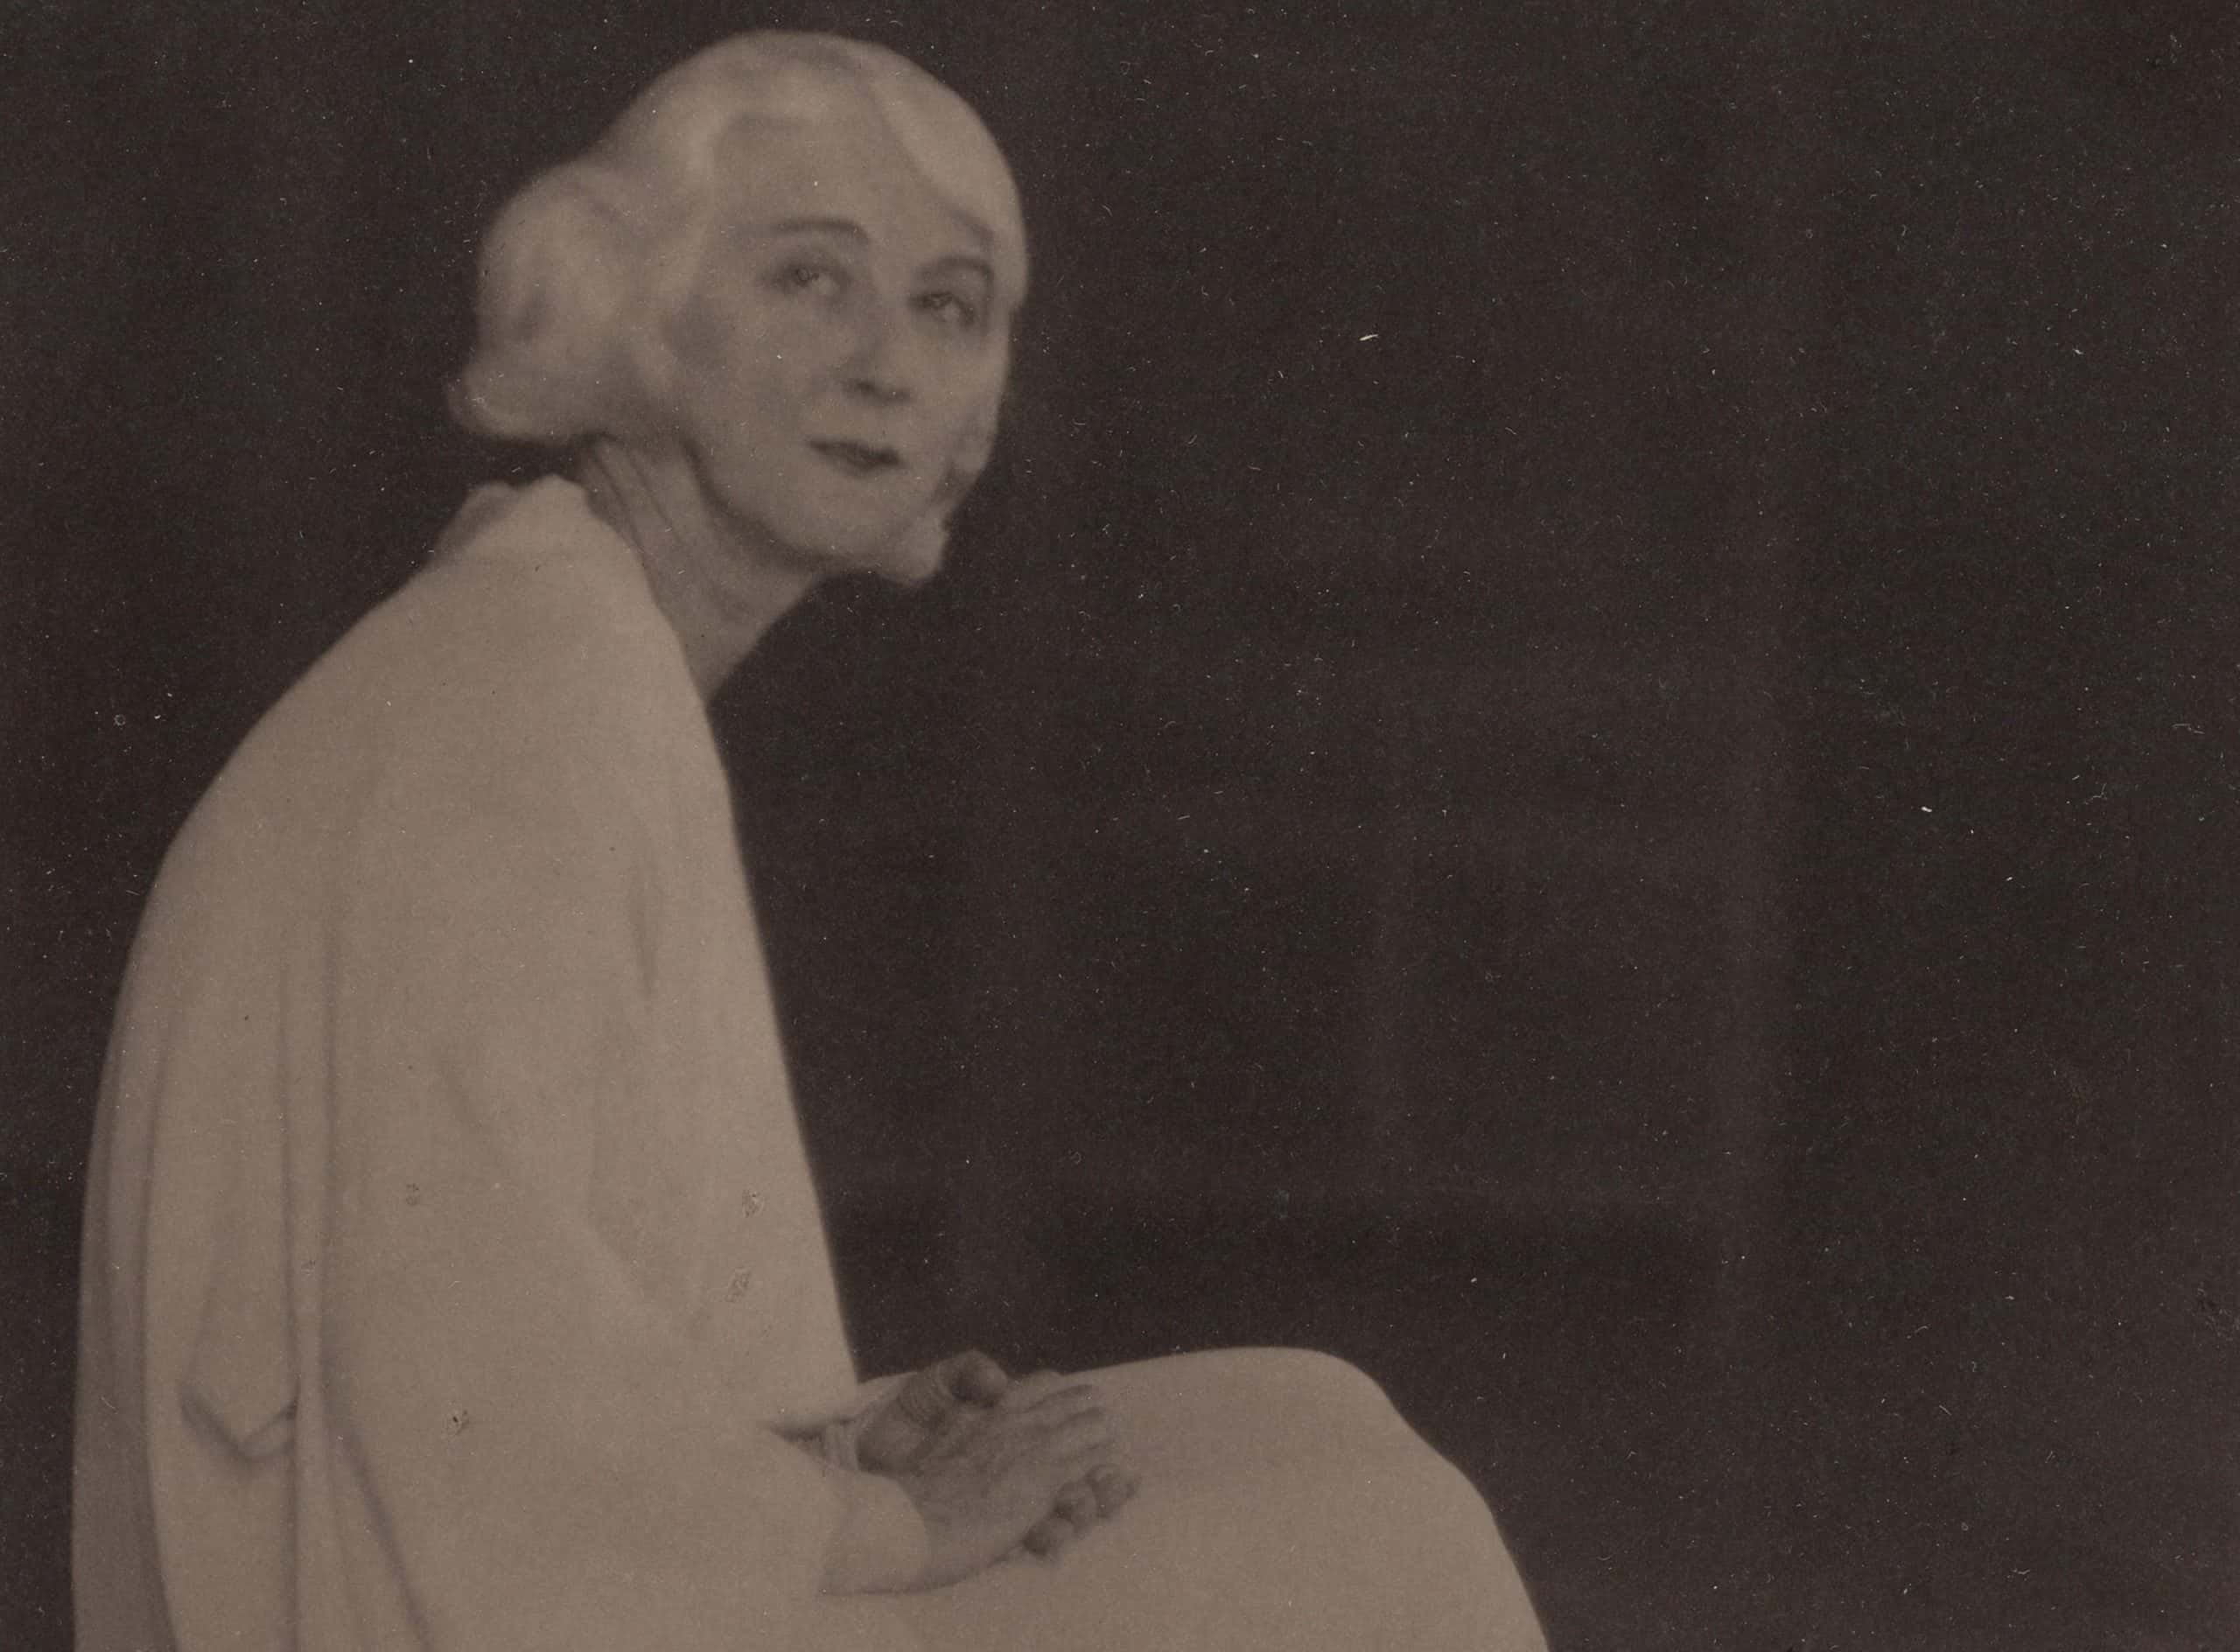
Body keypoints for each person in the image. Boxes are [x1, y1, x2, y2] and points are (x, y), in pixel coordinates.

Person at [73, 32, 1547, 1650]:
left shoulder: (566, 640)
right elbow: (468, 1414)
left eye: (948, 306)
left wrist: (829, 1445)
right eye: (810, 284)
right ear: (634, 310)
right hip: (415, 1605)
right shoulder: (515, 720)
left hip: (508, 1545)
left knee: (1309, 1412)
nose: (890, 369)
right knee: (1388, 1548)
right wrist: (884, 1523)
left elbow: (533, 1331)